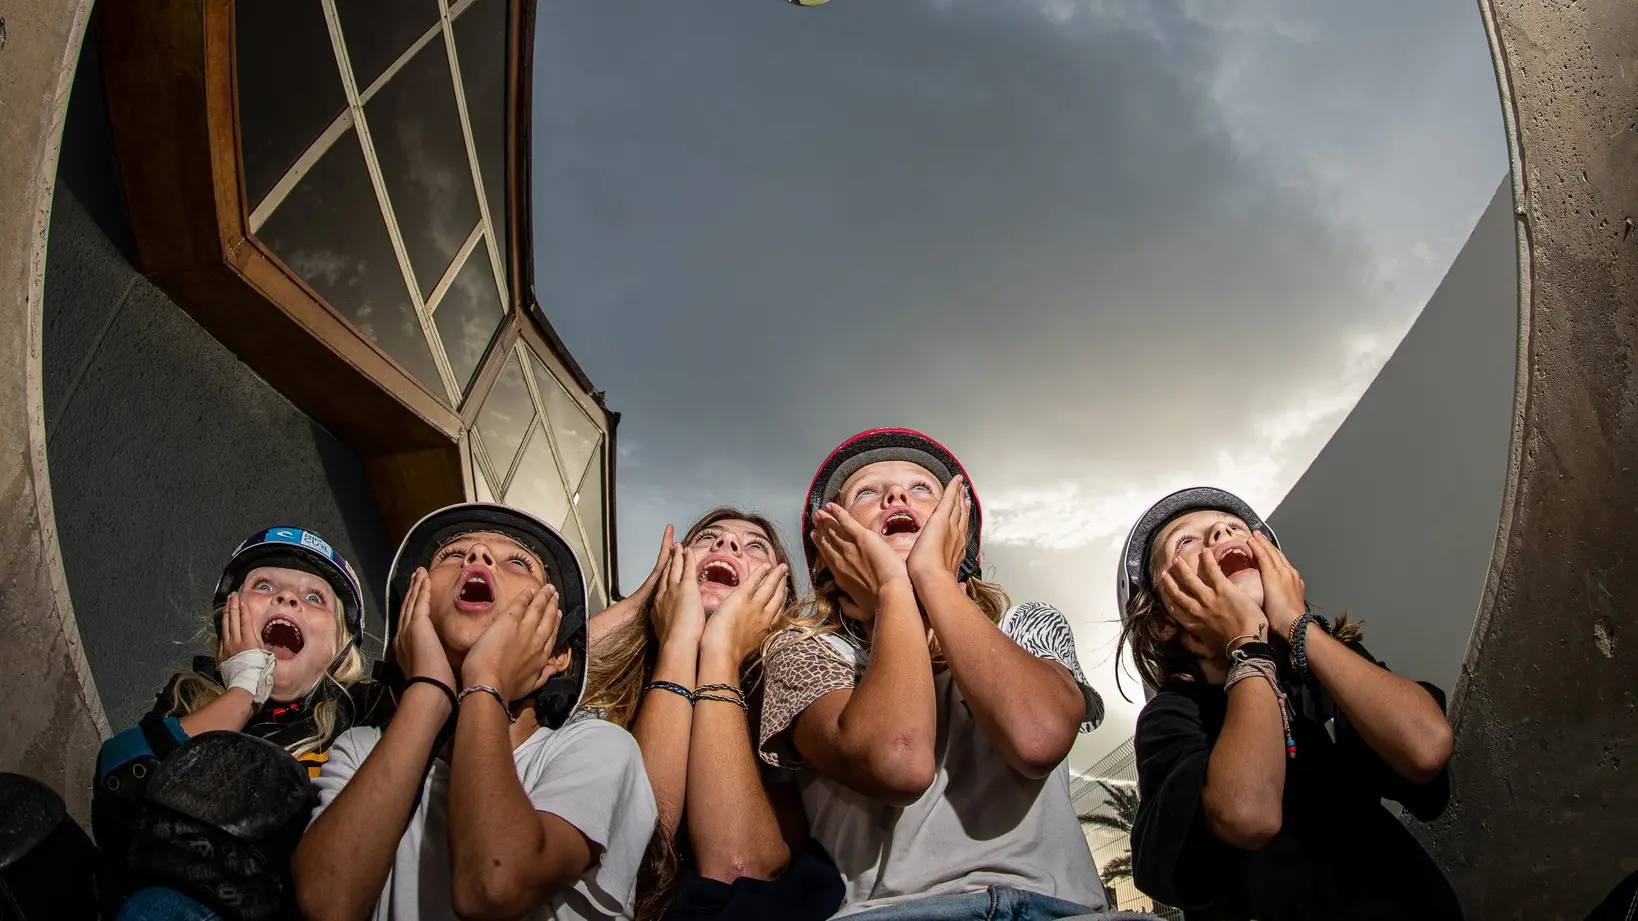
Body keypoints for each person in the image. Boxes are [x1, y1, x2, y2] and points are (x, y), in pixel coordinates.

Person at [757, 428, 1138, 921]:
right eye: (867, 492)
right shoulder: (806, 651)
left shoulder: (1026, 624)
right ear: (835, 546)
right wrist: (895, 593)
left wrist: (935, 578)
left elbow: (1037, 738)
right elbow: (898, 761)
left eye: (921, 489)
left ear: (955, 527)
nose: (896, 496)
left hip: (1066, 911)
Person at [293, 502, 656, 921]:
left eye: (519, 562)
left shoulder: (595, 747)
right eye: (451, 555)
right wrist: (429, 691)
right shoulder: (362, 748)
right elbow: (327, 904)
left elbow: (492, 887)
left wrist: (485, 680)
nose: (477, 555)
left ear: (557, 653)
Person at [1117, 487, 1461, 920]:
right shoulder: (1174, 716)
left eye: (1237, 528)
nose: (1222, 530)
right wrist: (1247, 646)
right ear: (1166, 619)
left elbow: (1426, 747)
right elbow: (1247, 813)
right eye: (1185, 541)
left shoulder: (1326, 672)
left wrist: (1297, 625)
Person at [91, 526, 390, 921]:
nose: (287, 598)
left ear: (340, 647)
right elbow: (119, 786)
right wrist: (244, 692)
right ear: (229, 617)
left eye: (314, 597)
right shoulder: (189, 694)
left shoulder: (366, 715)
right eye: (264, 586)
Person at [582, 510, 845, 921]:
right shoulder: (606, 694)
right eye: (708, 537)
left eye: (755, 545)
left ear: (780, 592)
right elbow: (631, 863)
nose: (727, 545)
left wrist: (719, 651)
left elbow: (739, 870)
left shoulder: (794, 699)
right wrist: (669, 627)